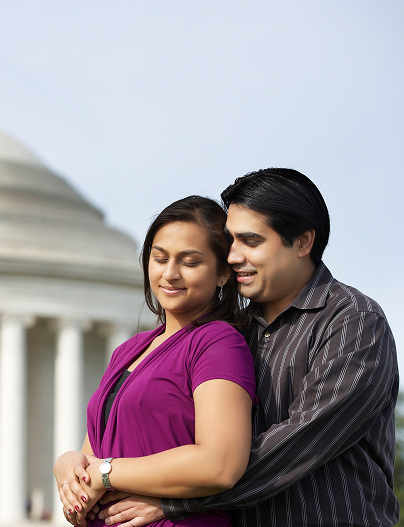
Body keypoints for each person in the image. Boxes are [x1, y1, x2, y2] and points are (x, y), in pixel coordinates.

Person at [94, 168, 399, 526]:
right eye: (230, 241)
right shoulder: (231, 331)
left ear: (303, 242)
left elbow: (300, 442)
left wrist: (175, 499)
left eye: (250, 241)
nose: (233, 255)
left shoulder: (354, 321)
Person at [55, 195, 257, 527]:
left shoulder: (217, 342)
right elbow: (94, 457)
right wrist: (69, 469)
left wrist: (105, 474)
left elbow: (220, 464)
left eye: (190, 262)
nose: (170, 273)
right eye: (159, 258)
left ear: (222, 273)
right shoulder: (129, 350)